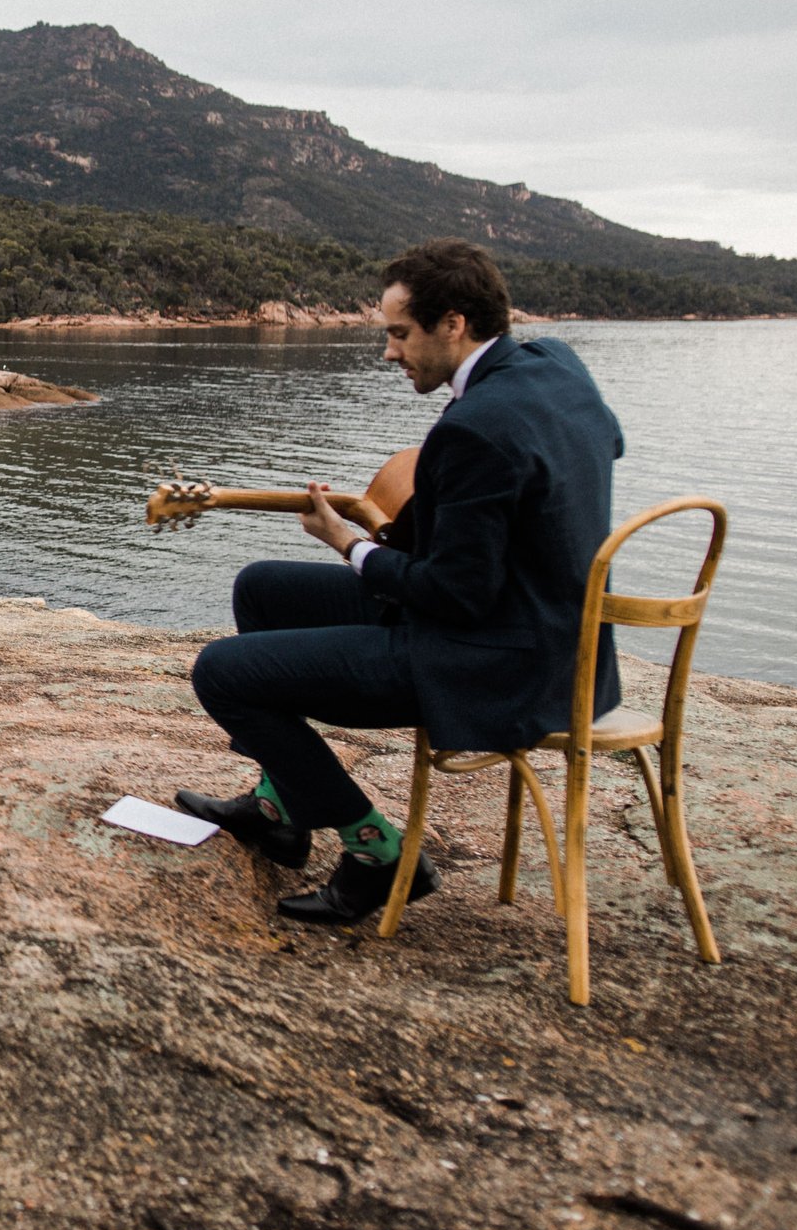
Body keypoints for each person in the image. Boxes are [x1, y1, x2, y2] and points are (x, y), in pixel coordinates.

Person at [174, 239, 626, 926]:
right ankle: (281, 810)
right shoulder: (553, 363)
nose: (388, 353)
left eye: (398, 333)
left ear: (453, 323)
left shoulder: (474, 426)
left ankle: (380, 854)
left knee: (222, 673)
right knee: (261, 588)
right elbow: (606, 442)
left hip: (491, 661)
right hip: (552, 636)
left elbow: (454, 594)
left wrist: (351, 543)